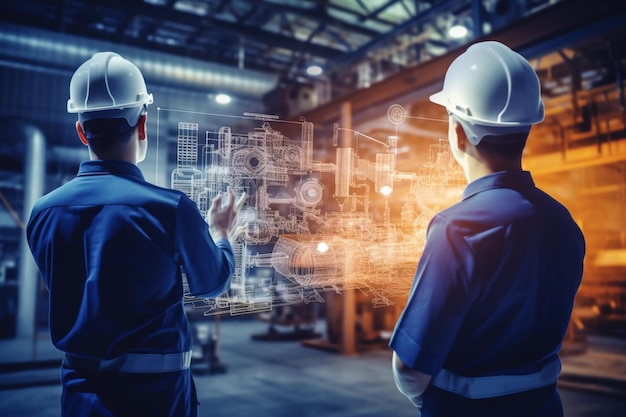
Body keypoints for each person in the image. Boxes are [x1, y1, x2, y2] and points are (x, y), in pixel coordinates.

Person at [26, 52, 246, 417]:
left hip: (80, 393)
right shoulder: (168, 209)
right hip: (156, 398)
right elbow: (211, 283)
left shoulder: (43, 212)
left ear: (82, 131)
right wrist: (221, 233)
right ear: (142, 124)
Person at [389, 41, 585, 416]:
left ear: (459, 134)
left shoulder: (456, 229)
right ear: (526, 130)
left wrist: (430, 401)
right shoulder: (564, 222)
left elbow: (410, 368)